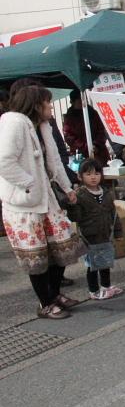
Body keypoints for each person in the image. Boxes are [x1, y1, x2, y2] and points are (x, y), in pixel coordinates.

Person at [0, 86, 82, 319]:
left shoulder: (43, 126)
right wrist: (29, 183)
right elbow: (4, 161)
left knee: (63, 247)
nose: (51, 106)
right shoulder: (14, 123)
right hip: (23, 205)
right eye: (48, 102)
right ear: (37, 105)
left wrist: (67, 188)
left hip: (47, 199)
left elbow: (55, 160)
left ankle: (54, 294)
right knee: (37, 258)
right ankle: (45, 303)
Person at [67, 158, 123, 300]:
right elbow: (76, 217)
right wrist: (72, 204)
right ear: (80, 176)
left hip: (106, 234)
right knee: (92, 265)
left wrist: (118, 232)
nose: (93, 177)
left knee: (106, 262)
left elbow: (114, 214)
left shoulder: (106, 192)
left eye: (97, 174)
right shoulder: (79, 194)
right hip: (89, 236)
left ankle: (106, 286)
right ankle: (94, 290)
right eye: (88, 174)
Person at [62, 89, 111, 166]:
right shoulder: (69, 117)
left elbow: (101, 131)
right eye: (79, 101)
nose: (82, 103)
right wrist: (85, 147)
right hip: (80, 155)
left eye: (83, 100)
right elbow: (69, 136)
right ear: (72, 102)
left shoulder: (93, 113)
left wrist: (96, 145)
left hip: (99, 152)